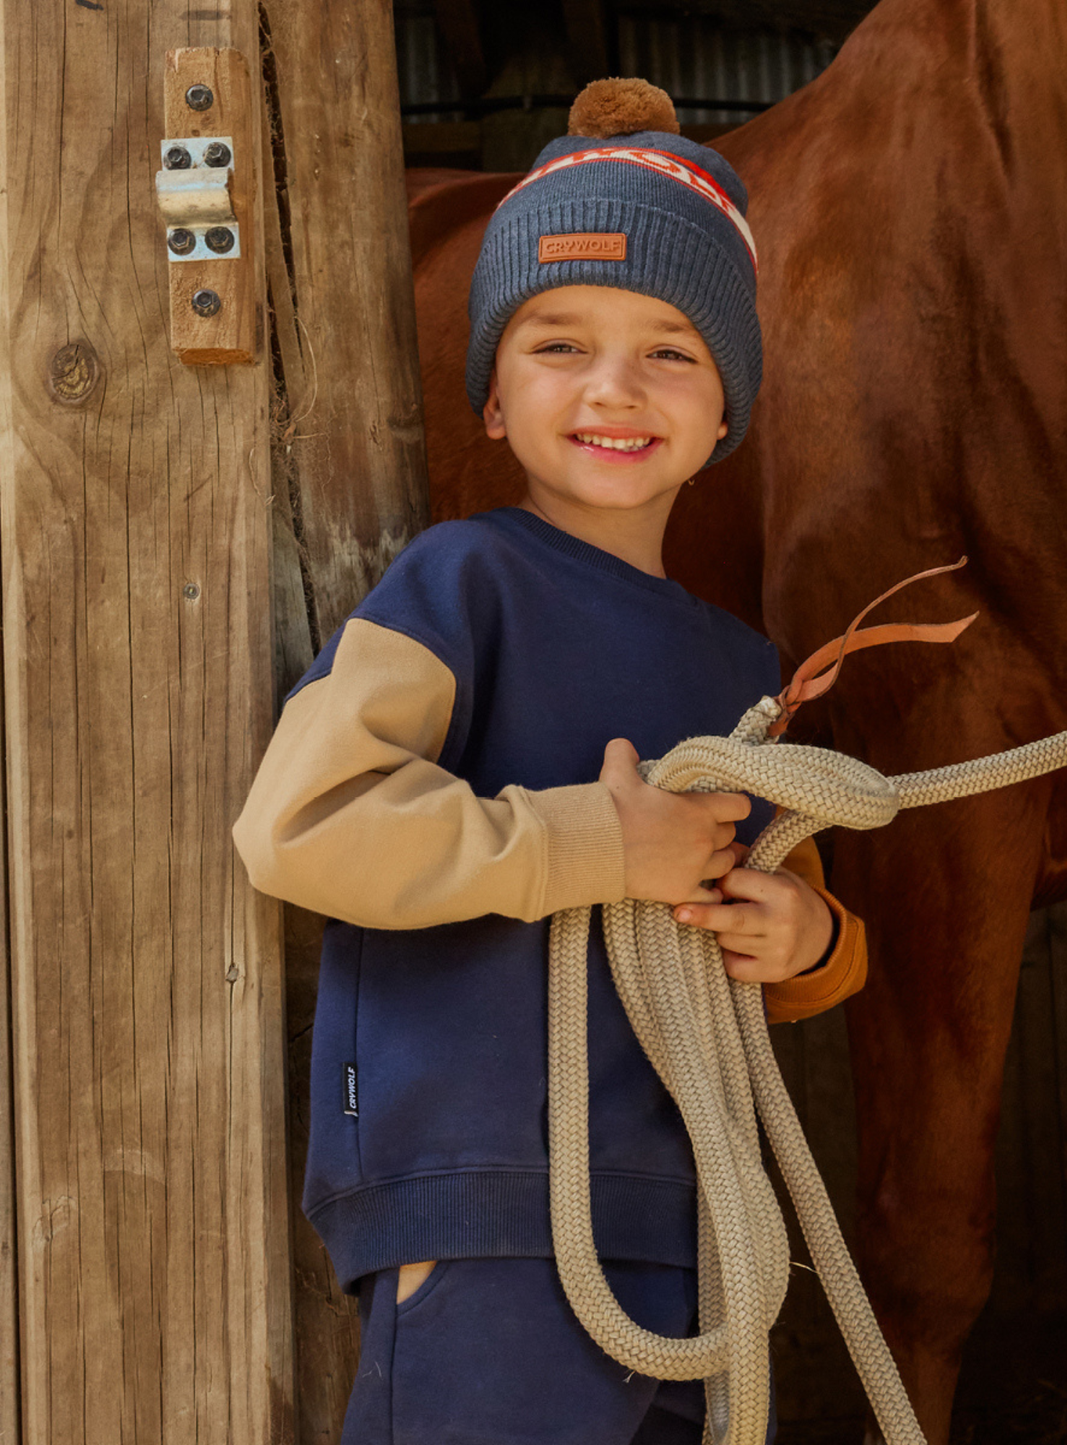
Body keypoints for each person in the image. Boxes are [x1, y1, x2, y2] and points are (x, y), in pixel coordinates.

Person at [233, 77, 867, 1445]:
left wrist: (808, 938)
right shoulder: (458, 587)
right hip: (484, 1205)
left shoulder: (742, 672)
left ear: (724, 414)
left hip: (688, 1216)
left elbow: (761, 929)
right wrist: (594, 846)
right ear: (492, 396)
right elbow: (302, 823)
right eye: (557, 343)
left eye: (671, 353)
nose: (613, 389)